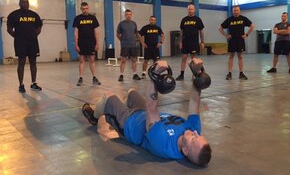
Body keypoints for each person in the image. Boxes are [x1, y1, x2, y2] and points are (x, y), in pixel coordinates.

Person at [82, 58, 212, 166]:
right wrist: (198, 74)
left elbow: (152, 107)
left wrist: (154, 75)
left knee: (109, 97)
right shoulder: (193, 129)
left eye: (194, 138)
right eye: (198, 135)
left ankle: (94, 116)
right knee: (132, 92)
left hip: (129, 123)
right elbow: (195, 101)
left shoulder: (163, 143)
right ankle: (120, 108)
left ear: (185, 150)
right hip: (144, 114)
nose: (195, 132)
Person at [7, 0, 43, 93]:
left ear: (28, 4)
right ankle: (21, 85)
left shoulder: (34, 15)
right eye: (22, 2)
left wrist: (34, 35)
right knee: (21, 62)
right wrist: (17, 37)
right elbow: (9, 29)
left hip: (33, 42)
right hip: (20, 43)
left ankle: (34, 83)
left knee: (33, 62)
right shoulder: (13, 15)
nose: (25, 4)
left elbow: (39, 27)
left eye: (26, 2)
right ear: (19, 4)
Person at [219, 5, 254, 80]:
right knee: (231, 56)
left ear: (239, 11)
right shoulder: (229, 20)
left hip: (240, 40)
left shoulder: (243, 19)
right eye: (234, 10)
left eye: (237, 10)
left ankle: (241, 73)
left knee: (240, 56)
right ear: (232, 11)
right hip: (232, 41)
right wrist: (226, 35)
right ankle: (229, 73)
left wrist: (247, 34)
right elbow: (220, 28)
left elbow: (252, 26)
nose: (236, 12)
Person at [73, 2, 101, 86]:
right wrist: (76, 44)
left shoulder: (93, 18)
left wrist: (97, 43)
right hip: (81, 42)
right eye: (83, 9)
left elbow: (96, 31)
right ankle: (80, 78)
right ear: (81, 9)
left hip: (91, 42)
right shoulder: (77, 18)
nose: (85, 10)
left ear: (88, 8)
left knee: (92, 60)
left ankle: (94, 78)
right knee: (82, 60)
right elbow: (76, 32)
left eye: (86, 8)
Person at [176, 3, 205, 81]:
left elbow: (201, 31)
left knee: (194, 59)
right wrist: (181, 42)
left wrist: (202, 42)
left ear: (194, 10)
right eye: (189, 9)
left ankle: (195, 74)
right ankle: (181, 75)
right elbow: (181, 32)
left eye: (192, 9)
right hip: (185, 41)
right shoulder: (184, 20)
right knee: (184, 58)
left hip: (194, 41)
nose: (190, 10)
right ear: (187, 10)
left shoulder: (198, 19)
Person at [116, 9, 141, 81]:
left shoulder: (134, 23)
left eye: (130, 14)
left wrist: (139, 40)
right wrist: (122, 40)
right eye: (127, 14)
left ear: (131, 15)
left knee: (134, 60)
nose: (128, 16)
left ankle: (135, 74)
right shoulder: (121, 24)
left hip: (133, 45)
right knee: (123, 60)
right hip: (125, 45)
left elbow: (136, 33)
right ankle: (121, 75)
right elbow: (118, 34)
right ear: (125, 15)